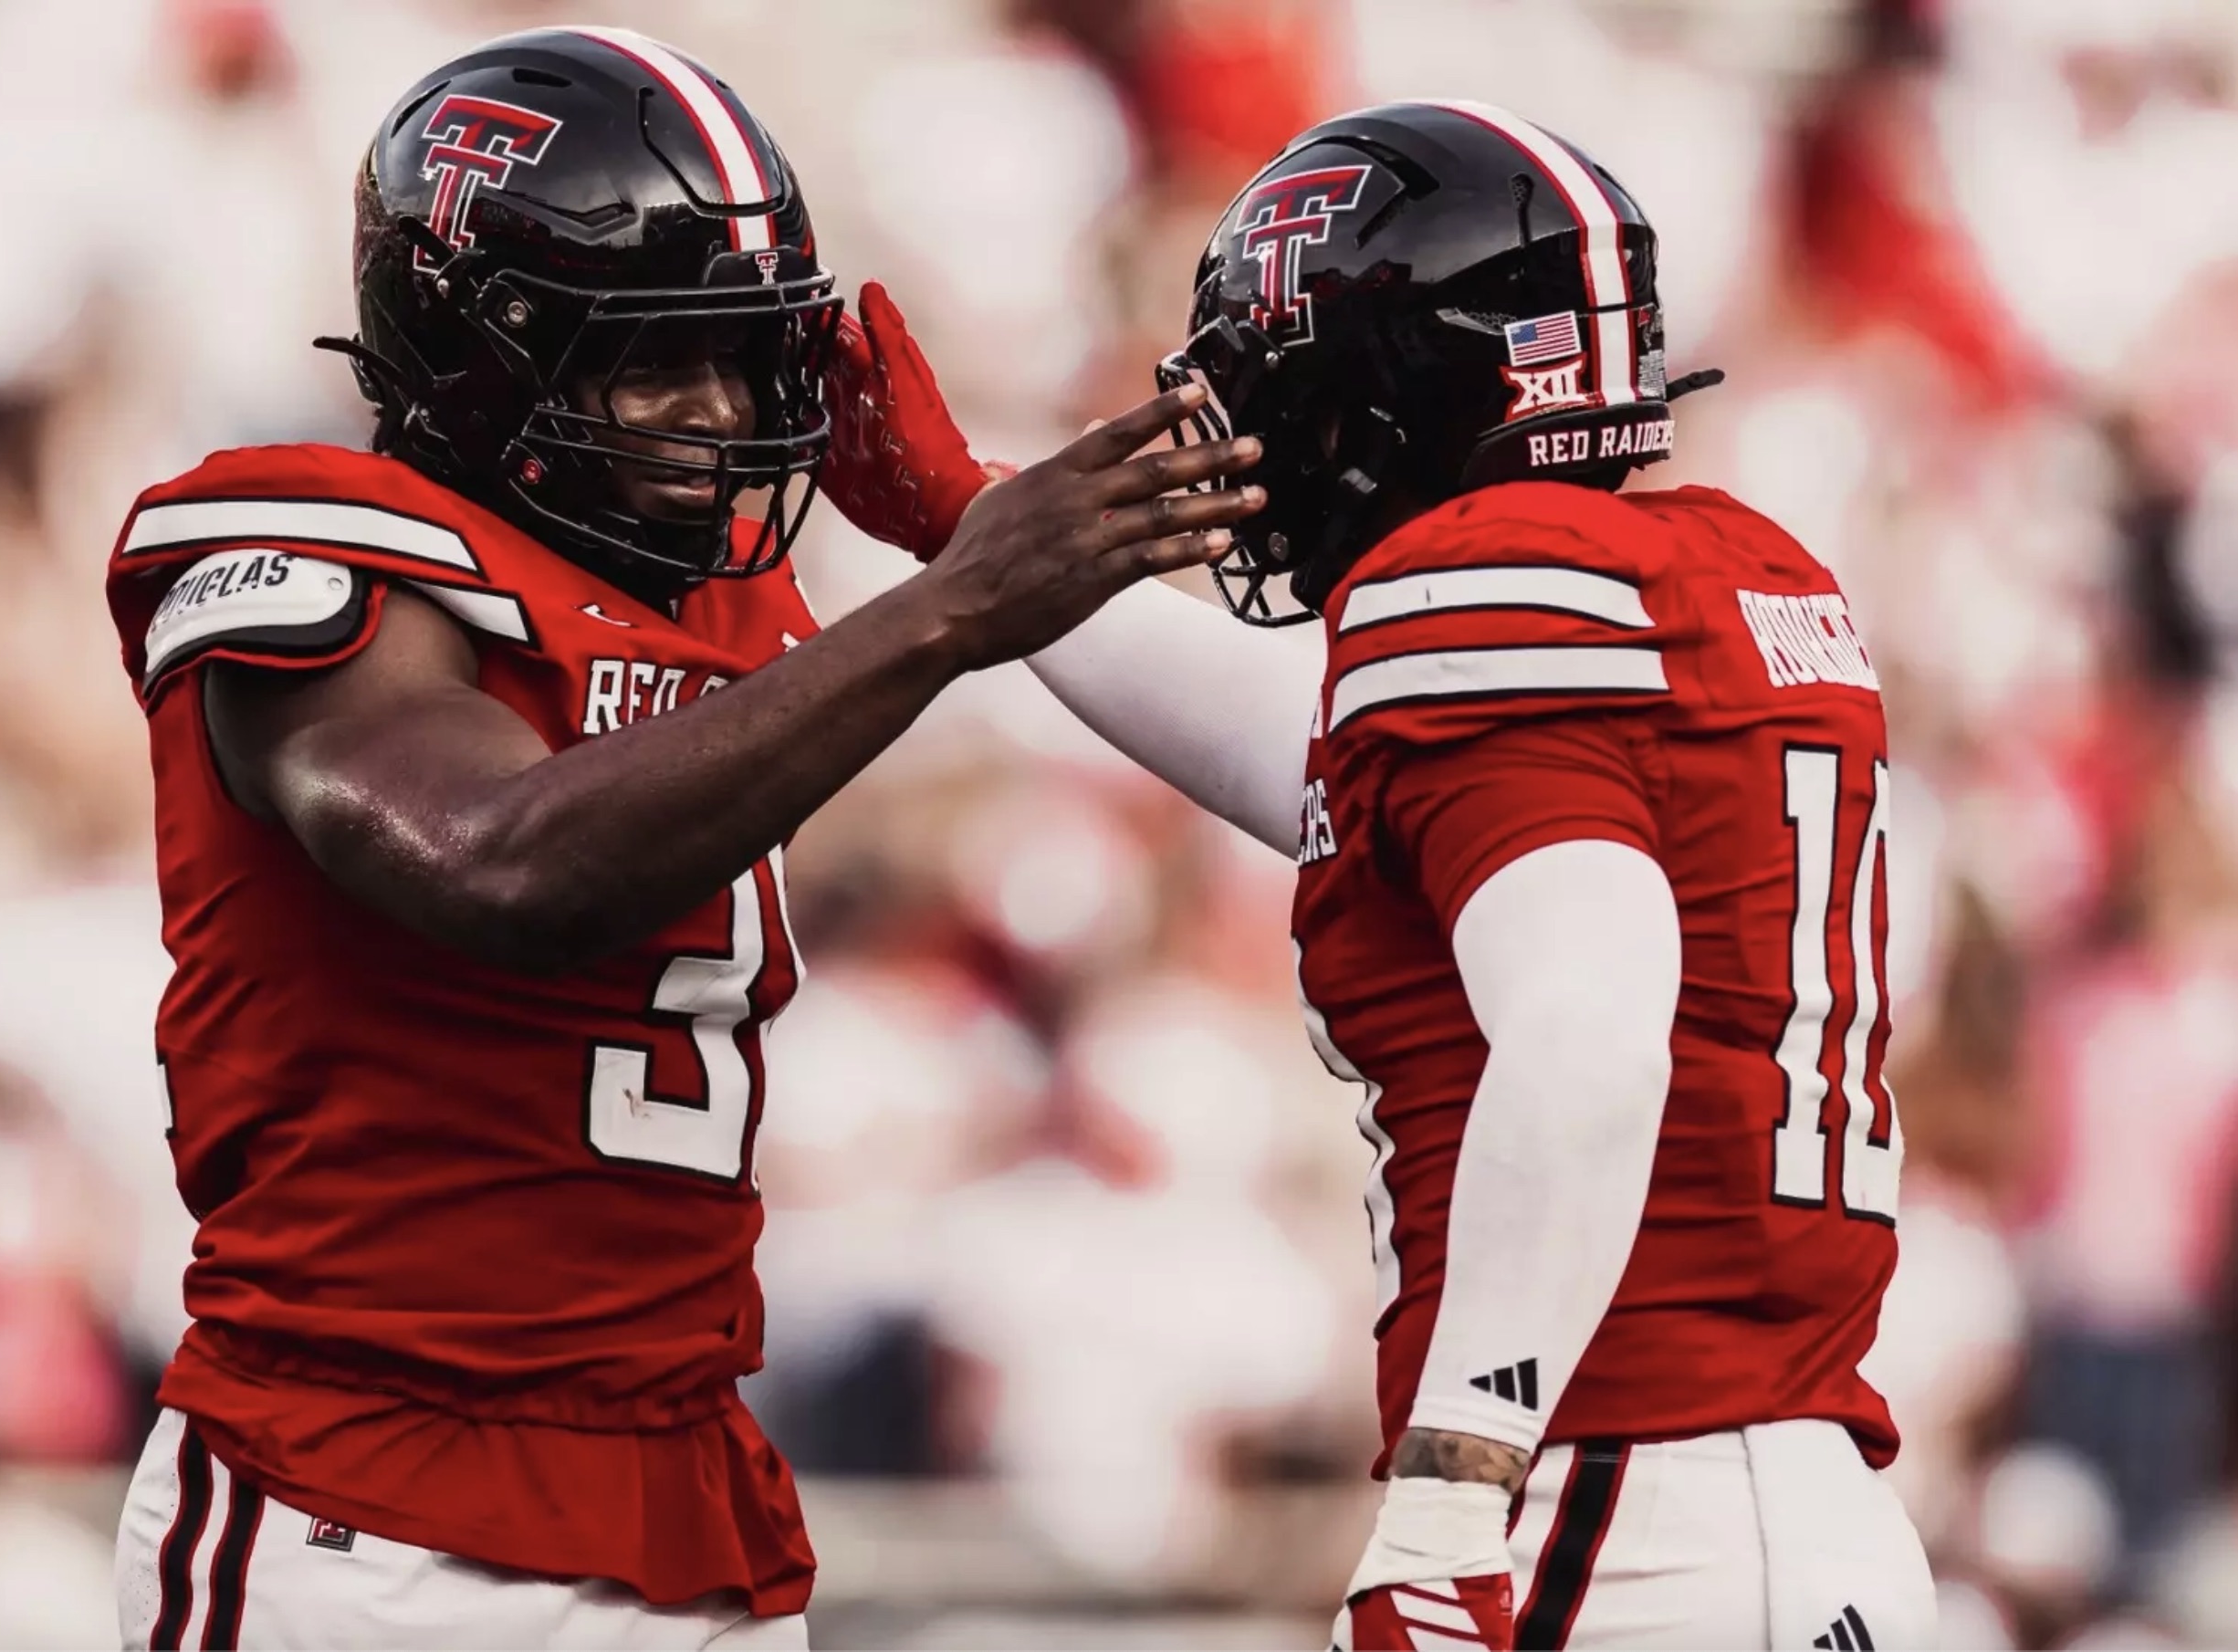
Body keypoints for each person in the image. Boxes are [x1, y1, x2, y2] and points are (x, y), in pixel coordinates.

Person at [97, 27, 1259, 1650]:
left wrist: (955, 519)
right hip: (363, 1496)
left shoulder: (728, 593)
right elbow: (500, 862)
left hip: (681, 1484)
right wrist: (947, 607)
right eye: (657, 362)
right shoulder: (313, 557)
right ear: (477, 353)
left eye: (749, 358)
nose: (717, 416)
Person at [827, 100, 1938, 1648]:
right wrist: (966, 529)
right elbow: (1330, 767)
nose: (1271, 446)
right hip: (1802, 1516)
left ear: (1400, 387)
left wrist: (1450, 1484)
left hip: (1607, 1511)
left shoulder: (1471, 583)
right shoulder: (1735, 572)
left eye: (1294, 396)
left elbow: (1587, 1031)